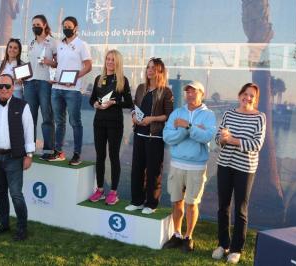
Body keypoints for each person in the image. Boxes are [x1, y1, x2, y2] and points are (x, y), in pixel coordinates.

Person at [212, 83, 266, 264]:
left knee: (241, 210)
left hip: (245, 169)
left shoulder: (260, 117)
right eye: (245, 93)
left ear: (255, 99)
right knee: (223, 207)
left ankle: (236, 249)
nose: (247, 98)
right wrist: (221, 138)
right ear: (239, 95)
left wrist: (232, 140)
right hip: (224, 165)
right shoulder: (228, 114)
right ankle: (223, 245)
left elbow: (256, 145)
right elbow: (217, 139)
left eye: (251, 95)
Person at [0, 74, 35, 241]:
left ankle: (22, 228)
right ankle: (3, 224)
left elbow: (29, 131)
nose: (3, 89)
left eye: (7, 86)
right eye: (0, 86)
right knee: (0, 193)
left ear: (13, 88)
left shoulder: (22, 106)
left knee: (16, 194)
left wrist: (29, 155)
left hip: (14, 157)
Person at [162, 81, 216, 252]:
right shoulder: (177, 113)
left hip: (196, 167)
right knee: (176, 201)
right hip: (177, 164)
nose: (190, 95)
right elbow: (168, 137)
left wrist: (187, 125)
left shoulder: (209, 115)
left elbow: (207, 137)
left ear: (202, 94)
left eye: (194, 92)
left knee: (192, 203)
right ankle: (177, 234)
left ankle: (188, 236)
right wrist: (188, 130)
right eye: (188, 92)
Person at [125, 58, 173, 214]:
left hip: (155, 136)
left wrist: (151, 119)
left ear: (160, 71)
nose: (150, 70)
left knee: (153, 171)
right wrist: (133, 115)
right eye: (148, 67)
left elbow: (168, 115)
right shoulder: (140, 88)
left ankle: (151, 204)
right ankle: (137, 201)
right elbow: (134, 105)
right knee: (137, 169)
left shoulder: (166, 91)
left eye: (153, 68)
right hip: (139, 133)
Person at [88, 50, 133, 205]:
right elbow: (92, 99)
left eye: (113, 60)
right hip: (99, 122)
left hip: (115, 123)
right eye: (108, 59)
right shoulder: (99, 79)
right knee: (100, 156)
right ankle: (99, 190)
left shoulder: (122, 80)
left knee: (113, 157)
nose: (110, 62)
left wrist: (114, 102)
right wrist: (94, 104)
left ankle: (113, 192)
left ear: (118, 62)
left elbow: (129, 103)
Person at [50, 16, 92, 165]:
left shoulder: (82, 45)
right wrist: (51, 66)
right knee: (59, 122)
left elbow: (88, 66)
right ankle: (58, 152)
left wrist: (75, 78)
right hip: (57, 88)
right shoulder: (59, 44)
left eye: (69, 26)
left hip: (73, 90)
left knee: (75, 122)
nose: (66, 29)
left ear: (75, 28)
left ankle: (76, 154)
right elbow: (58, 64)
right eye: (64, 26)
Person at [24, 15, 57, 160]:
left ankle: (49, 150)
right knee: (30, 118)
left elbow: (58, 63)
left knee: (47, 116)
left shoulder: (52, 42)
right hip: (30, 83)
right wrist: (22, 75)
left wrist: (49, 61)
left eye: (37, 24)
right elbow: (29, 64)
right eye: (33, 24)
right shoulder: (31, 43)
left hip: (45, 83)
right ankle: (29, 149)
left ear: (44, 25)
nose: (35, 26)